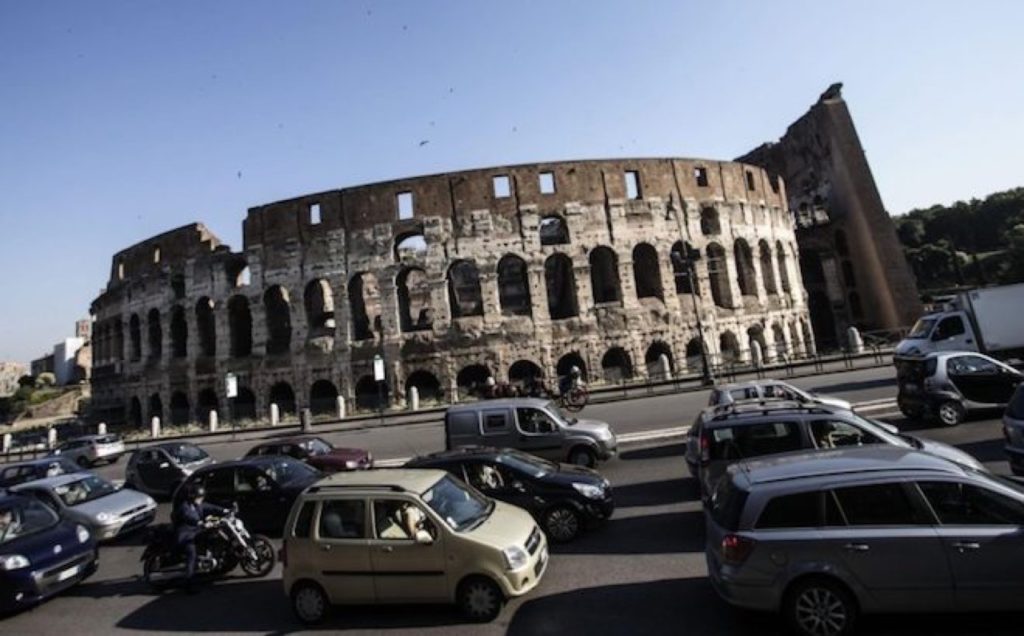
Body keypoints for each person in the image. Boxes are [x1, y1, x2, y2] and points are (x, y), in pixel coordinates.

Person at [172, 485, 228, 592]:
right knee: (192, 553)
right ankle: (188, 583)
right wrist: (200, 523)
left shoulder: (197, 505)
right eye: (199, 497)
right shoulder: (185, 507)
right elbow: (189, 516)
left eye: (202, 497)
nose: (201, 499)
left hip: (196, 532)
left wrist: (224, 510)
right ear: (192, 497)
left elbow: (209, 507)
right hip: (185, 535)